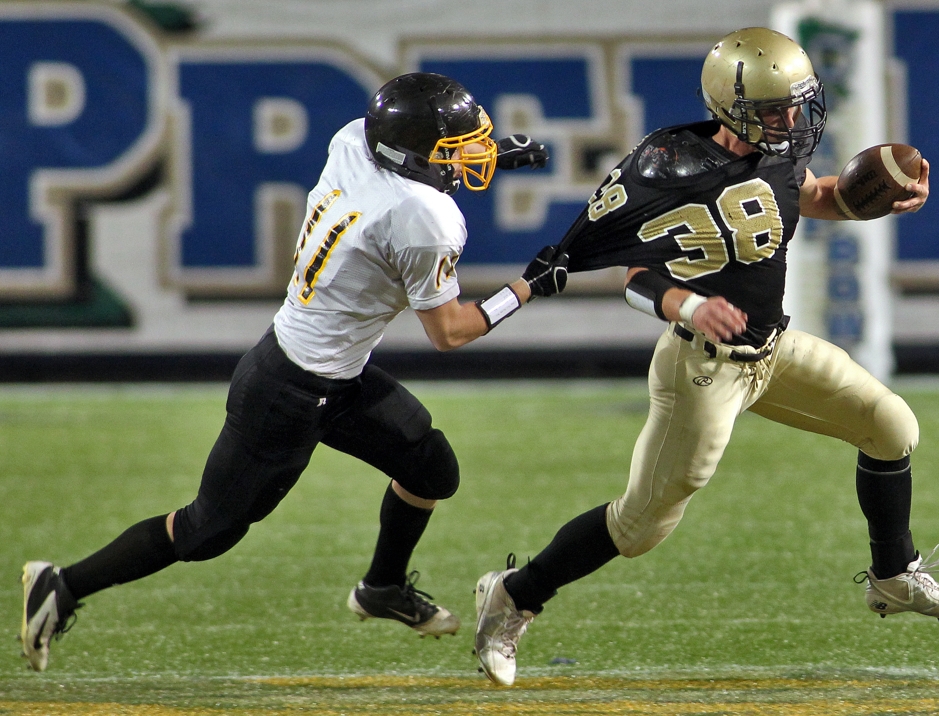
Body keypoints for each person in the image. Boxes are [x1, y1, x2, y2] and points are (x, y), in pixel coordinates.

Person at [473, 27, 939, 686]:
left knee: (891, 428)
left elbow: (812, 197)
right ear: (733, 108)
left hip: (772, 349)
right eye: (777, 109)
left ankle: (893, 575)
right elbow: (632, 279)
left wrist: (874, 202)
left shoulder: (780, 150)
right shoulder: (668, 169)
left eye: (798, 103)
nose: (793, 118)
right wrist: (689, 306)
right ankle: (515, 594)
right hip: (702, 366)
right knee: (638, 528)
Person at [20, 72, 566, 673]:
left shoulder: (356, 139)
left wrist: (495, 154)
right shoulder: (424, 217)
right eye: (457, 149)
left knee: (431, 466)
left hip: (333, 372)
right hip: (289, 390)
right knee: (206, 532)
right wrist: (529, 285)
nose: (470, 157)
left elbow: (411, 168)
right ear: (415, 157)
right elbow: (450, 331)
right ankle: (62, 583)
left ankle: (381, 588)